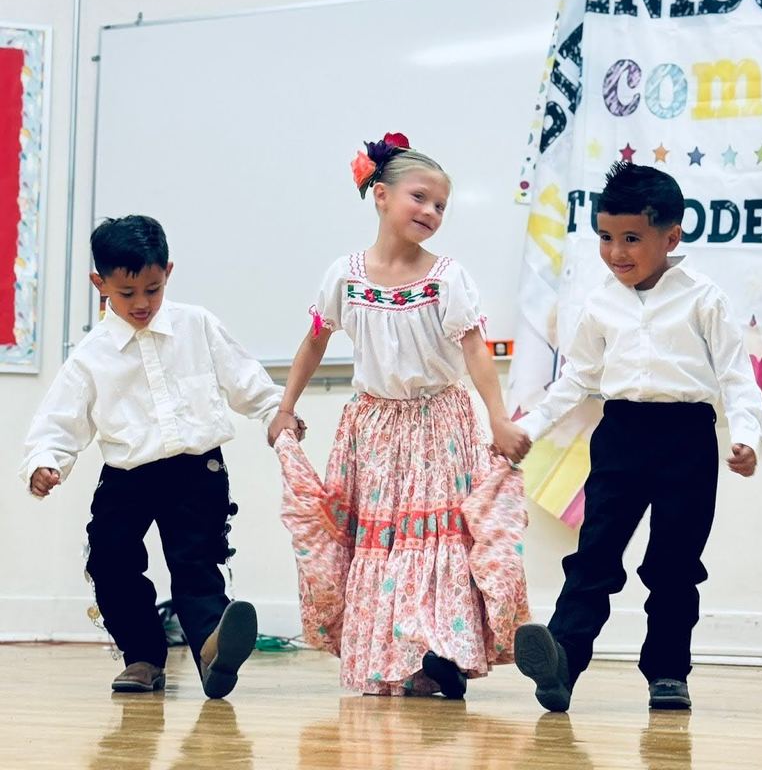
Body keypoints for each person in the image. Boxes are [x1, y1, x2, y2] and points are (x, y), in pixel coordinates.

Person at [268, 133, 531, 698]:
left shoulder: (447, 277)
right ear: (381, 195)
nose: (432, 212)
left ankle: (443, 654)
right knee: (382, 544)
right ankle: (399, 660)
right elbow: (314, 342)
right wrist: (285, 408)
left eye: (441, 206)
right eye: (420, 198)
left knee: (437, 539)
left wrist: (498, 420)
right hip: (373, 428)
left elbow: (474, 349)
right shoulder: (346, 275)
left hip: (439, 422)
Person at [513, 162, 762, 712]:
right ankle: (561, 660)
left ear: (671, 236)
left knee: (673, 565)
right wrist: (529, 427)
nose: (616, 252)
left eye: (631, 238)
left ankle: (668, 674)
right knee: (595, 554)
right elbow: (577, 378)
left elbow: (735, 378)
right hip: (621, 433)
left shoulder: (705, 299)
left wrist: (745, 435)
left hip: (687, 440)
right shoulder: (599, 303)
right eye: (606, 237)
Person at [20, 215, 298, 698]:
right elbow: (61, 421)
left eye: (153, 288)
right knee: (110, 560)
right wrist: (47, 461)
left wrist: (278, 412)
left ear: (168, 271)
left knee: (196, 562)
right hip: (127, 476)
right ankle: (143, 658)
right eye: (127, 295)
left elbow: (246, 379)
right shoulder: (91, 354)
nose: (143, 303)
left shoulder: (198, 325)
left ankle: (213, 651)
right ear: (99, 283)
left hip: (198, 471)